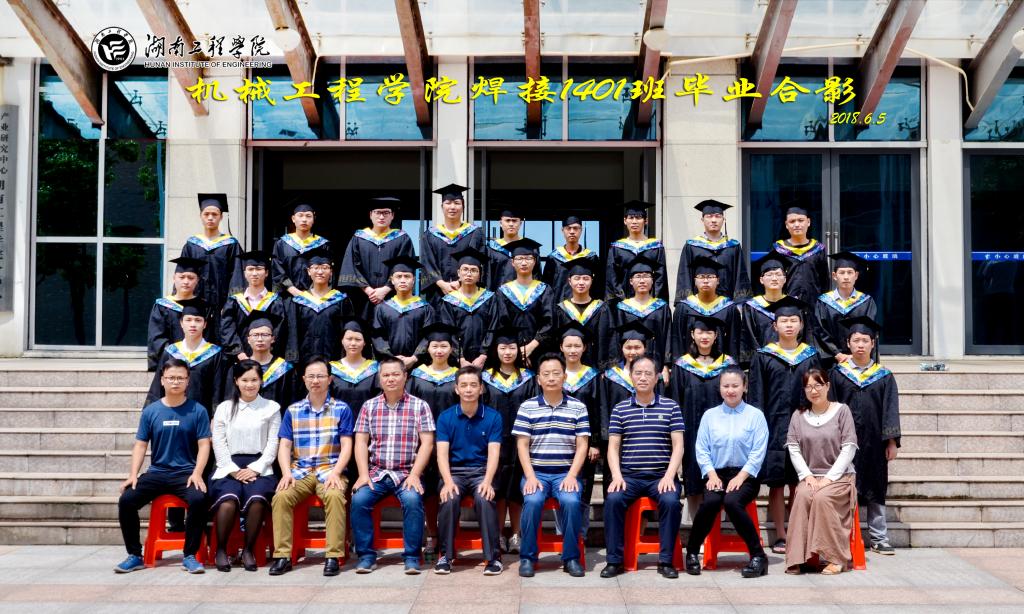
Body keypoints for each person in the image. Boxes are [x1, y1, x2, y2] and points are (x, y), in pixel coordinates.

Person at [115, 358, 211, 574]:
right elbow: (141, 445)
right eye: (171, 378)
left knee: (198, 499)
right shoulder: (151, 411)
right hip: (157, 473)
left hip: (185, 474)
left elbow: (204, 444)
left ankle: (190, 555)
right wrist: (133, 474)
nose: (175, 382)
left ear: (188, 381)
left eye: (180, 378)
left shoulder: (198, 410)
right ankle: (134, 555)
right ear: (162, 380)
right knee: (127, 500)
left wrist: (197, 473)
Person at [747, 295, 822, 555]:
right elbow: (756, 395)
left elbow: (819, 394)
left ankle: (800, 532)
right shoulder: (763, 356)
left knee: (800, 483)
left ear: (801, 324)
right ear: (774, 325)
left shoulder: (811, 356)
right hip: (773, 427)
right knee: (777, 483)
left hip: (805, 427)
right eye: (783, 321)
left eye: (793, 320)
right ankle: (780, 535)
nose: (789, 325)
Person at [268, 356, 354, 577]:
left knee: (334, 496)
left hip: (330, 469)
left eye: (321, 376)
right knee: (281, 497)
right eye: (311, 376)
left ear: (330, 379)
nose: (316, 381)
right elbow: (285, 445)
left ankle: (333, 556)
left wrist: (337, 472)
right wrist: (286, 473)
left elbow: (347, 445)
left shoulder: (341, 409)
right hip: (300, 471)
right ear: (304, 379)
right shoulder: (293, 410)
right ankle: (282, 556)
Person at [351, 357, 437, 574]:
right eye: (386, 375)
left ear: (405, 376)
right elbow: (360, 442)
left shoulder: (419, 406)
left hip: (407, 473)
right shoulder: (369, 406)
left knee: (413, 500)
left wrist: (415, 474)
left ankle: (412, 557)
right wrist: (363, 474)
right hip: (377, 472)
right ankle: (366, 556)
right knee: (359, 500)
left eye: (395, 374)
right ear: (380, 378)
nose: (391, 379)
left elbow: (427, 443)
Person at [601, 356, 684, 579]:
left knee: (671, 502)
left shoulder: (671, 407)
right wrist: (616, 476)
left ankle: (666, 561)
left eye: (648, 373)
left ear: (657, 378)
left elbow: (678, 446)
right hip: (629, 477)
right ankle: (614, 561)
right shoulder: (620, 409)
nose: (643, 377)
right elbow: (613, 447)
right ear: (631, 376)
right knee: (613, 500)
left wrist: (669, 476)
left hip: (660, 476)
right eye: (638, 373)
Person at [685, 366, 770, 578]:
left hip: (746, 475)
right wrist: (711, 474)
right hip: (716, 474)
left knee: (732, 502)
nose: (730, 390)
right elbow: (701, 448)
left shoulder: (755, 416)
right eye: (726, 386)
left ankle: (758, 556)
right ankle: (692, 552)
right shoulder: (710, 416)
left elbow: (758, 452)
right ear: (720, 388)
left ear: (744, 387)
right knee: (711, 502)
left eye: (735, 386)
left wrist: (741, 476)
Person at [512, 353, 591, 578]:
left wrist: (572, 475)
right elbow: (522, 446)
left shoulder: (578, 407)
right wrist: (530, 476)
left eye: (556, 373)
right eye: (546, 374)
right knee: (532, 501)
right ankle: (528, 557)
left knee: (571, 501)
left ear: (565, 377)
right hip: (536, 473)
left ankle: (571, 558)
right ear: (538, 379)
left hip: (565, 473)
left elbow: (582, 445)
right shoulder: (527, 407)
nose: (551, 378)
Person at [828, 316, 901, 555]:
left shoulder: (884, 376)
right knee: (843, 487)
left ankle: (879, 538)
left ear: (873, 344)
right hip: (843, 441)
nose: (860, 345)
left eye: (865, 341)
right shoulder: (837, 374)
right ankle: (843, 536)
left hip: (874, 442)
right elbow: (831, 406)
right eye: (856, 340)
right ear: (848, 343)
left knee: (876, 486)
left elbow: (890, 410)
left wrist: (891, 441)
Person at [208, 360, 281, 572]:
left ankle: (249, 550)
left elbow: (273, 443)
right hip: (228, 466)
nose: (250, 385)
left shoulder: (271, 408)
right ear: (236, 381)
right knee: (229, 501)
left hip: (260, 466)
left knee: (257, 500)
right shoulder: (224, 408)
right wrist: (232, 470)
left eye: (254, 380)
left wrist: (256, 468)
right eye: (245, 380)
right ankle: (221, 550)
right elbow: (218, 442)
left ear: (261, 381)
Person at [785, 368, 859, 575]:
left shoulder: (842, 411)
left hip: (840, 476)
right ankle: (797, 557)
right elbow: (793, 448)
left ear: (827, 386)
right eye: (808, 387)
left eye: (818, 385)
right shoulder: (798, 416)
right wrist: (807, 475)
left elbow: (849, 447)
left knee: (822, 498)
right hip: (810, 476)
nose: (813, 390)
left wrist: (829, 478)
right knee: (802, 495)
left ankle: (836, 557)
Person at [434, 366, 504, 575]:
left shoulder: (493, 417)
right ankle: (445, 556)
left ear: (481, 388)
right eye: (463, 385)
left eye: (473, 385)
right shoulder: (446, 417)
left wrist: (488, 481)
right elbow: (441, 454)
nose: (468, 389)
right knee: (449, 499)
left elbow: (494, 453)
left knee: (484, 498)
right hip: (454, 472)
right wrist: (447, 481)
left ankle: (493, 558)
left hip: (482, 472)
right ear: (456, 389)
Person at [668, 316, 737, 514]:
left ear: (716, 336)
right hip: (691, 429)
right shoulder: (682, 365)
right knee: (693, 473)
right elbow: (676, 400)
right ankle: (697, 522)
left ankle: (718, 519)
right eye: (700, 332)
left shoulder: (727, 365)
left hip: (722, 429)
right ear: (692, 335)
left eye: (709, 332)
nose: (704, 336)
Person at [406, 322, 461, 559]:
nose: (439, 350)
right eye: (435, 346)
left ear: (451, 348)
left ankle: (450, 536)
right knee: (428, 489)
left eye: (444, 346)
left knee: (449, 487)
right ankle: (432, 534)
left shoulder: (458, 376)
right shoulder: (417, 376)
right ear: (427, 348)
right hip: (424, 442)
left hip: (453, 441)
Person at [482, 325, 536, 555]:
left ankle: (515, 534)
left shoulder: (528, 378)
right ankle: (498, 534)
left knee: (516, 489)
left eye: (512, 348)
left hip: (520, 442)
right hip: (493, 442)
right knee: (498, 488)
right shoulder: (485, 378)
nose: (507, 352)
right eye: (503, 348)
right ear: (496, 350)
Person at [337, 197, 416, 321]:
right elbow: (351, 266)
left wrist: (385, 289)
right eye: (377, 212)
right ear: (370, 215)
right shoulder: (359, 238)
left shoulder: (402, 238)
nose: (381, 217)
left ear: (392, 215)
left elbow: (405, 267)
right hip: (363, 298)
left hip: (393, 297)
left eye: (386, 213)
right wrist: (368, 290)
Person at [181, 193, 244, 344]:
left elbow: (237, 275)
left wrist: (230, 304)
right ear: (200, 216)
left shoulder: (230, 244)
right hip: (197, 303)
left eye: (214, 214)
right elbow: (183, 274)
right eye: (206, 214)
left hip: (222, 304)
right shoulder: (192, 244)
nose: (210, 218)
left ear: (221, 217)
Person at [558, 325, 602, 538]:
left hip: (585, 443)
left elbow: (598, 410)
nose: (573, 350)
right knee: (560, 486)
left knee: (584, 486)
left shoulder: (592, 376)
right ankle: (562, 533)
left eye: (577, 346)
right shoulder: (554, 374)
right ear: (561, 347)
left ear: (584, 348)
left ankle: (580, 535)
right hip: (558, 442)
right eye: (569, 346)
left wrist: (595, 442)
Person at [146, 298, 225, 416]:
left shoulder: (214, 354)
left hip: (203, 416)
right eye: (188, 320)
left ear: (205, 324)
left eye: (198, 320)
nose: (193, 324)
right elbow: (158, 388)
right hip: (172, 414)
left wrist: (215, 417)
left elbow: (218, 390)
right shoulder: (171, 352)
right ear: (181, 323)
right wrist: (152, 416)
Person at [285, 247, 354, 363]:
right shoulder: (299, 301)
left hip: (334, 360)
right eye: (316, 268)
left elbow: (347, 331)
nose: (320, 272)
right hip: (304, 362)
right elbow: (293, 333)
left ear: (331, 272)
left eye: (325, 268)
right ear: (308, 271)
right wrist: (294, 360)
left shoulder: (341, 300)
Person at [420, 183, 485, 307]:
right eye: (448, 203)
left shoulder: (474, 233)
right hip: (437, 295)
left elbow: (478, 262)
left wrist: (460, 282)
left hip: (466, 293)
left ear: (463, 207)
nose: (452, 207)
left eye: (457, 203)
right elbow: (427, 263)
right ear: (442, 207)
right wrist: (441, 284)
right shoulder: (430, 235)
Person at [609, 256, 672, 382]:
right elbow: (616, 340)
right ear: (631, 281)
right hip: (627, 366)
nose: (642, 280)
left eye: (646, 276)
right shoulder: (622, 308)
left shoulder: (662, 307)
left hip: (656, 365)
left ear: (653, 281)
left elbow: (668, 337)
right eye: (638, 276)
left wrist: (666, 366)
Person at [675, 200, 750, 302]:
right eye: (709, 216)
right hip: (698, 305)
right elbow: (684, 276)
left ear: (723, 219)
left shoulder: (733, 247)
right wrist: (686, 304)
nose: (713, 220)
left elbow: (740, 276)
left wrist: (740, 303)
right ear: (702, 220)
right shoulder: (692, 247)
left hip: (727, 304)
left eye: (718, 216)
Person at [219, 250, 288, 361]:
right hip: (239, 360)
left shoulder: (275, 301)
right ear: (244, 273)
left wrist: (266, 355)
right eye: (250, 269)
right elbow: (227, 330)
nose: (254, 273)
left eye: (259, 269)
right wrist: (240, 354)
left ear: (266, 273)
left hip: (268, 359)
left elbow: (278, 331)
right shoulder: (234, 302)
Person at [438, 247, 501, 368]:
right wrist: (460, 358)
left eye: (474, 270)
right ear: (458, 273)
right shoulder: (449, 301)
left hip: (486, 360)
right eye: (465, 269)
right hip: (457, 361)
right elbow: (449, 332)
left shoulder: (489, 298)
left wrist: (483, 355)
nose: (469, 274)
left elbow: (493, 327)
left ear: (479, 275)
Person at [495, 238, 554, 366]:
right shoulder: (504, 291)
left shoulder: (544, 290)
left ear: (535, 261)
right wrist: (517, 350)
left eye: (528, 258)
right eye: (519, 258)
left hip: (540, 352)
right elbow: (502, 324)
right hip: (511, 352)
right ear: (512, 262)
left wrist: (530, 347)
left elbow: (549, 322)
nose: (524, 262)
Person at [671, 256, 742, 361]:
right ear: (695, 281)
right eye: (701, 277)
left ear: (718, 281)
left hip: (721, 365)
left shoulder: (729, 308)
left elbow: (734, 342)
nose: (705, 281)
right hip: (689, 366)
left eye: (710, 277)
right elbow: (677, 341)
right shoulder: (683, 308)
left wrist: (732, 365)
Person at [814, 251, 878, 365]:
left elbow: (870, 332)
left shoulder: (866, 302)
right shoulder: (823, 302)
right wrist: (837, 354)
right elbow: (820, 332)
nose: (846, 277)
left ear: (856, 275)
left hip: (860, 360)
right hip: (831, 361)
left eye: (850, 272)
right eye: (842, 273)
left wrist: (854, 355)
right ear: (834, 276)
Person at [372, 255, 435, 369]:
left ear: (414, 280)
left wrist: (414, 358)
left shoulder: (425, 308)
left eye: (407, 276)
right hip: (390, 366)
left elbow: (428, 337)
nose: (402, 280)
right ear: (392, 280)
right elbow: (378, 337)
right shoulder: (382, 308)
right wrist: (392, 358)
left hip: (418, 367)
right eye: (398, 276)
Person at [550, 257, 612, 370]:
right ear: (569, 281)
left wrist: (603, 368)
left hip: (594, 367)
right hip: (566, 368)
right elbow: (555, 342)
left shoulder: (601, 309)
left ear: (592, 280)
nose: (581, 282)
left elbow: (605, 340)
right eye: (577, 278)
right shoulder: (560, 309)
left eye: (586, 278)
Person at [600, 321, 656, 443]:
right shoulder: (611, 376)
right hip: (618, 434)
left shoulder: (654, 376)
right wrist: (605, 435)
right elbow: (604, 407)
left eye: (637, 347)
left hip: (648, 433)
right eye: (628, 348)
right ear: (622, 348)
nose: (633, 352)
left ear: (645, 348)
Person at [147, 256, 203, 372]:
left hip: (200, 364)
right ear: (174, 278)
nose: (186, 281)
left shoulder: (205, 307)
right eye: (181, 277)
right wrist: (178, 357)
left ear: (197, 280)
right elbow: (157, 339)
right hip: (171, 365)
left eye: (191, 278)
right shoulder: (162, 306)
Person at [605, 201, 668, 301]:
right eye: (631, 218)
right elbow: (612, 277)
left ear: (646, 221)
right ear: (625, 221)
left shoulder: (656, 247)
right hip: (623, 302)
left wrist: (653, 301)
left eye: (638, 218)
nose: (634, 221)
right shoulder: (617, 248)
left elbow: (660, 277)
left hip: (649, 302)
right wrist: (622, 300)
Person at [239, 310, 299, 409]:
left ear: (273, 339)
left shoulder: (285, 369)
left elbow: (292, 403)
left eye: (265, 335)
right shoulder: (239, 369)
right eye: (255, 335)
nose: (260, 339)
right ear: (248, 339)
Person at [739, 254, 791, 365]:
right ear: (761, 280)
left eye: (778, 274)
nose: (774, 278)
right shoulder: (751, 307)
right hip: (761, 364)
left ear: (785, 279)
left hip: (790, 362)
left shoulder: (793, 305)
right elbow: (749, 339)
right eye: (769, 275)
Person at [771, 207, 830, 304]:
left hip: (813, 304)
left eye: (801, 220)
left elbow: (824, 281)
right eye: (792, 221)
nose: (797, 224)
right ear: (786, 225)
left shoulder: (818, 249)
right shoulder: (779, 249)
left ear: (808, 222)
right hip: (786, 305)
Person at [272, 201, 330, 297]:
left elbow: (328, 272)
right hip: (287, 297)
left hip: (315, 297)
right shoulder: (282, 244)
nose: (304, 219)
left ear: (313, 219)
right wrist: (292, 290)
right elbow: (277, 270)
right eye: (300, 215)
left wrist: (313, 293)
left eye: (308, 216)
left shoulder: (323, 244)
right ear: (293, 219)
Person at [329, 318, 381, 416]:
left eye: (358, 339)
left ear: (364, 342)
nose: (353, 343)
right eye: (349, 339)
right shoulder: (332, 369)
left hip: (368, 421)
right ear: (342, 341)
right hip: (339, 422)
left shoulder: (375, 369)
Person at [543, 215, 601, 302]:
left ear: (581, 230)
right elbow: (547, 287)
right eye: (568, 228)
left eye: (575, 228)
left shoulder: (591, 258)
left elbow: (598, 286)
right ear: (562, 230)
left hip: (585, 306)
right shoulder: (553, 258)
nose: (572, 232)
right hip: (559, 305)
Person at [485, 205, 530, 290]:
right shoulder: (491, 249)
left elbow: (536, 276)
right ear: (500, 223)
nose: (511, 224)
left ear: (520, 223)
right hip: (498, 295)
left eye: (514, 221)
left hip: (524, 295)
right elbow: (487, 277)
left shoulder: (529, 248)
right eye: (507, 220)